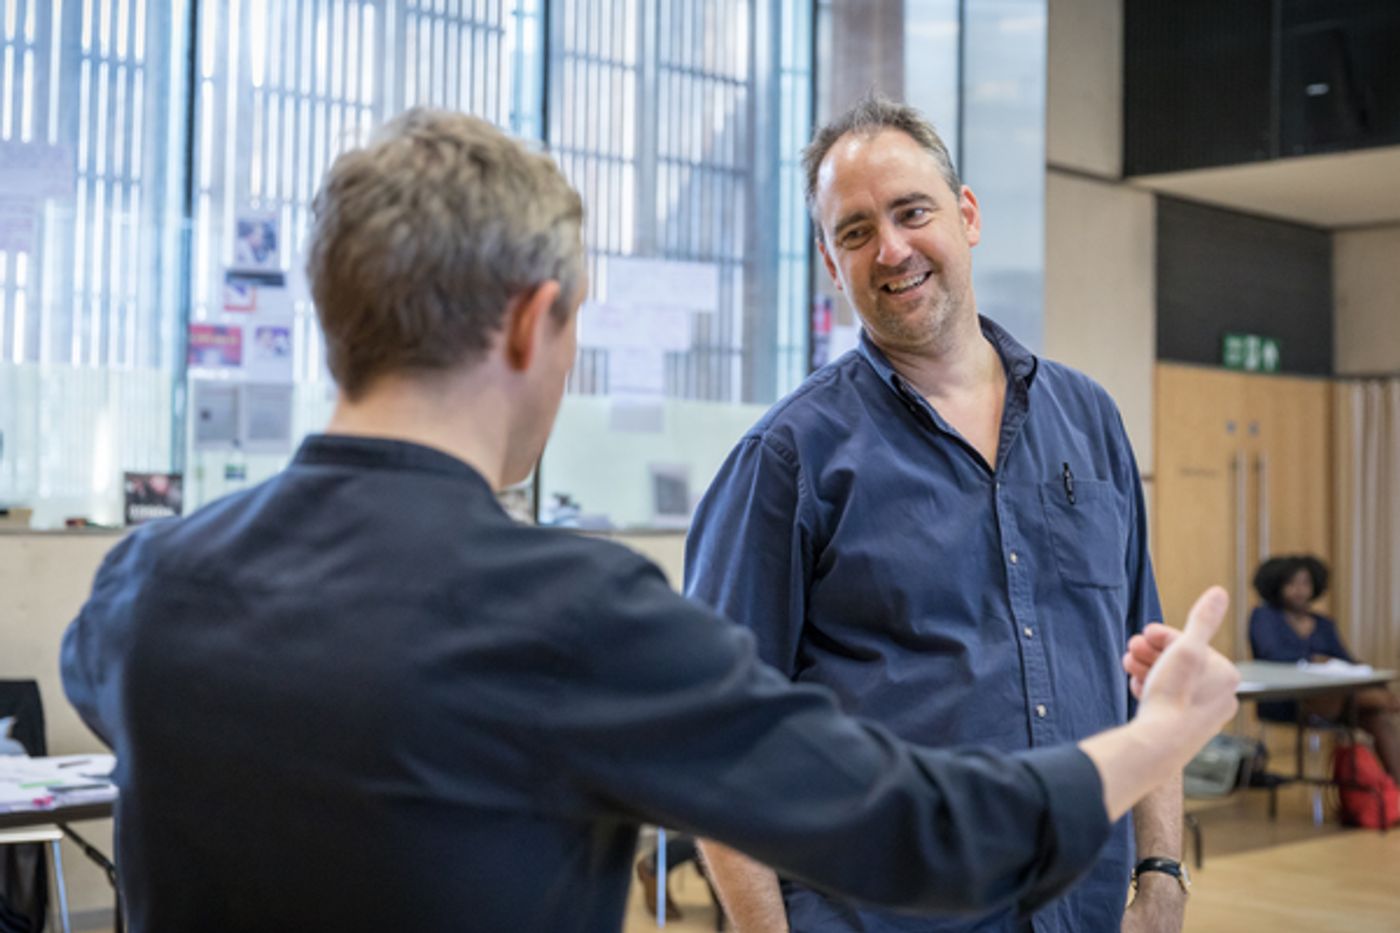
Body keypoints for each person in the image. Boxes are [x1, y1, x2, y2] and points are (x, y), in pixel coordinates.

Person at [61, 108, 1239, 933]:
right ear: (531, 324)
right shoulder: (574, 617)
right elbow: (921, 831)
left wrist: (1152, 868)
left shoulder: (142, 588)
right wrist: (1162, 733)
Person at [687, 95, 1180, 933]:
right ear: (830, 261)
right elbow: (715, 741)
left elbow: (1145, 673)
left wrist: (1161, 875)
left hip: (1085, 911)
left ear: (968, 214)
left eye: (912, 211)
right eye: (855, 231)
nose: (891, 249)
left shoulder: (1089, 420)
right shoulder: (788, 460)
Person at [1250, 554, 1400, 780]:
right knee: (1374, 700)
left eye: (1305, 583)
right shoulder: (1265, 618)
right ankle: (1387, 700)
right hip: (1288, 699)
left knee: (1378, 718)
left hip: (1334, 701)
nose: (1299, 590)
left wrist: (1356, 667)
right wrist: (1312, 659)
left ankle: (1395, 790)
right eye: (1291, 584)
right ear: (1277, 585)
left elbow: (1344, 659)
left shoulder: (1323, 624)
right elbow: (1271, 654)